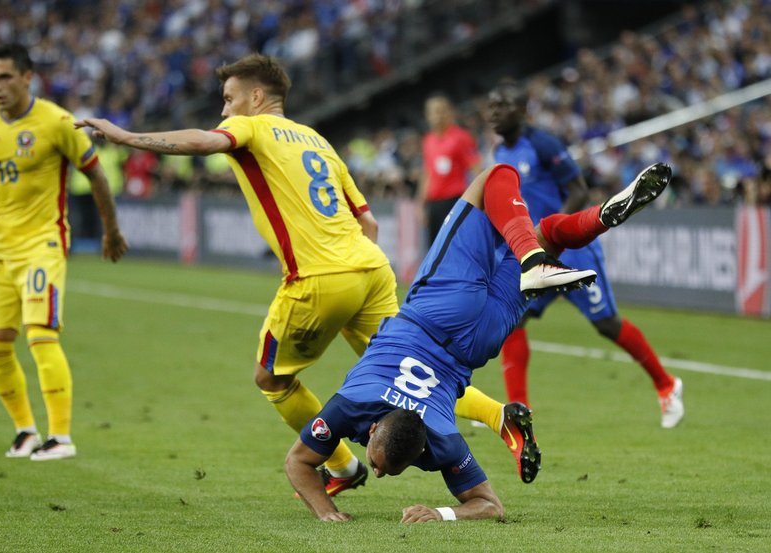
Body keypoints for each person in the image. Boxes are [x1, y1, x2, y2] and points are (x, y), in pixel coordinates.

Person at [75, 53, 592, 496]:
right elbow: (366, 220)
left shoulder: (251, 127)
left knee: (271, 378)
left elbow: (199, 144)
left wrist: (123, 135)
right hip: (369, 269)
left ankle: (341, 466)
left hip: (320, 278)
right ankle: (501, 416)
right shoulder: (319, 142)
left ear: (257, 97)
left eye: (229, 99)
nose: (223, 111)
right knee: (414, 369)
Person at [285, 161, 672, 522]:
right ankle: (596, 219)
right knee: (536, 222)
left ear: (374, 433)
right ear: (419, 451)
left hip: (464, 331)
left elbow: (297, 462)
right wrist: (443, 514)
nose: (380, 473)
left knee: (495, 178)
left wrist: (327, 512)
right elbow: (490, 506)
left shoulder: (440, 436)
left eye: (376, 465)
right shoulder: (358, 408)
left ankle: (537, 258)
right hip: (445, 315)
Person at [0, 44, 128, 461]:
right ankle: (25, 430)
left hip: (42, 244)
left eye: (5, 77)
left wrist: (111, 230)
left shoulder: (56, 121)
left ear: (27, 77)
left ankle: (61, 437)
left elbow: (97, 174)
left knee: (40, 335)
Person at [486, 79, 684, 429]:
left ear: (520, 110)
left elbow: (579, 190)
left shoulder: (543, 144)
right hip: (534, 253)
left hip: (572, 250)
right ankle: (519, 409)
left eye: (501, 105)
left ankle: (667, 386)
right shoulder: (500, 153)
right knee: (514, 321)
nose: (493, 113)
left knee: (606, 324)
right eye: (491, 106)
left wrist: (552, 233)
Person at [416, 94, 481, 248]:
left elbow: (476, 168)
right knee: (436, 249)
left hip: (455, 201)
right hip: (434, 205)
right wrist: (420, 204)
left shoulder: (461, 138)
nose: (438, 116)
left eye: (442, 111)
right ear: (428, 116)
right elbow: (427, 173)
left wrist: (477, 201)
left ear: (450, 113)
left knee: (458, 247)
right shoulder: (428, 140)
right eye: (434, 112)